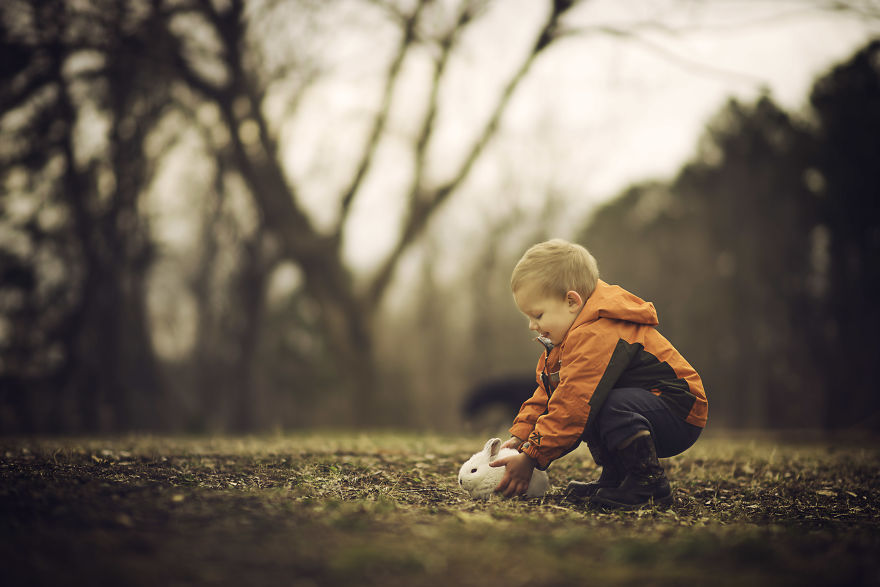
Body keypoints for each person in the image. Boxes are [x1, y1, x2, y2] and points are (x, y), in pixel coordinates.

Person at [490, 239, 708, 509]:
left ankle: (647, 483)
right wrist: (522, 436)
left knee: (597, 403)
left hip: (678, 409)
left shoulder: (597, 332)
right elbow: (549, 393)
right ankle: (616, 478)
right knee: (598, 401)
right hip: (646, 406)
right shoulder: (566, 341)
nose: (532, 326)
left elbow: (572, 403)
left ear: (572, 301)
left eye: (538, 315)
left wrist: (532, 457)